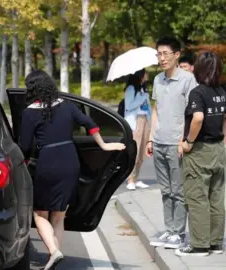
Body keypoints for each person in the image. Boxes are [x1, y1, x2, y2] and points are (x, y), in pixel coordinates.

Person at [19, 70, 126, 269]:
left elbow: (24, 146)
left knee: (39, 213)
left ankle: (53, 251)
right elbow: (90, 124)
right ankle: (55, 256)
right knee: (59, 215)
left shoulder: (30, 112)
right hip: (70, 159)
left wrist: (21, 165)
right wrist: (104, 146)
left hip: (47, 162)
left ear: (32, 89)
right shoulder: (67, 105)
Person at [146, 37, 198, 249]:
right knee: (165, 190)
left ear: (177, 55)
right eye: (159, 54)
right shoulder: (158, 79)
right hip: (158, 142)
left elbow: (192, 113)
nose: (162, 58)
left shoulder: (188, 80)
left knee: (178, 190)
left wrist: (185, 141)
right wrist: (150, 137)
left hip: (176, 143)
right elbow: (156, 109)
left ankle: (178, 232)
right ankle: (169, 231)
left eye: (166, 53)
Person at [176, 51, 225, 257]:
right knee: (216, 196)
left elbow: (197, 118)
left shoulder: (198, 92)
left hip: (200, 150)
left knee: (197, 197)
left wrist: (188, 142)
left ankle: (200, 245)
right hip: (218, 149)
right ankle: (215, 243)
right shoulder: (221, 91)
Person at [123, 68, 151, 190]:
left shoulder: (143, 89)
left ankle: (136, 177)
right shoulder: (131, 89)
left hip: (145, 120)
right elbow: (128, 106)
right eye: (145, 73)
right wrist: (141, 98)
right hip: (135, 121)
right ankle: (130, 179)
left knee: (141, 152)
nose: (147, 75)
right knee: (135, 150)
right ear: (140, 75)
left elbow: (148, 107)